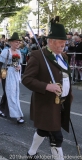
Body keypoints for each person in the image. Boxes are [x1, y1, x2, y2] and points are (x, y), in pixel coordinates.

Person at [22, 18, 72, 160]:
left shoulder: (63, 56)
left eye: (64, 43)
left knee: (43, 131)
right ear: (51, 41)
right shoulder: (38, 56)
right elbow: (26, 79)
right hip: (46, 103)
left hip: (61, 102)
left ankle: (31, 153)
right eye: (60, 43)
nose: (63, 46)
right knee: (57, 137)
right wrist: (47, 86)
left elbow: (65, 76)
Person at [0, 32, 25, 124]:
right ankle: (17, 115)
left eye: (18, 42)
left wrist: (19, 67)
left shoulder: (19, 52)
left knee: (12, 93)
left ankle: (2, 110)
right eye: (16, 42)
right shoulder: (6, 51)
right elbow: (0, 64)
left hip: (15, 74)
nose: (17, 44)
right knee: (10, 93)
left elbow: (19, 63)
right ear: (11, 42)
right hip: (7, 74)